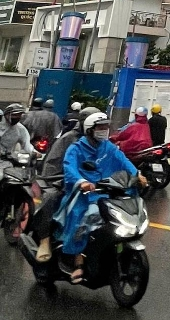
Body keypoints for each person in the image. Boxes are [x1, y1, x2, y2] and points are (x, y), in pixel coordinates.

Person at [54, 112, 145, 283]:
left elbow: (123, 160)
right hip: (84, 194)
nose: (104, 130)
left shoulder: (108, 147)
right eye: (100, 127)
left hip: (108, 191)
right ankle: (78, 262)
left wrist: (137, 174)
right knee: (85, 219)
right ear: (90, 129)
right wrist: (81, 181)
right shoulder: (76, 149)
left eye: (106, 126)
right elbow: (69, 168)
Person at [33, 107, 96, 264]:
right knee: (51, 198)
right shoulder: (68, 139)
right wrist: (64, 180)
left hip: (93, 183)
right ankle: (45, 240)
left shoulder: (101, 142)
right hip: (64, 180)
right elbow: (52, 164)